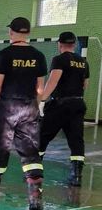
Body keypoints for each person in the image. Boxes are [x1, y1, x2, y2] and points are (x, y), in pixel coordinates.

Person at [0, 17, 47, 210]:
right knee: (31, 153)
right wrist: (39, 105)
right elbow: (40, 87)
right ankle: (35, 199)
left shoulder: (4, 55)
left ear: (11, 32)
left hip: (7, 109)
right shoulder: (38, 55)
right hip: (29, 108)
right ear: (28, 33)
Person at [38, 31, 89, 186]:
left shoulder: (59, 60)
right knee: (76, 140)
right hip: (78, 104)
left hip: (60, 105)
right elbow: (84, 85)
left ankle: (34, 171)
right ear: (74, 44)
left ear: (59, 44)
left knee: (43, 136)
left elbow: (52, 81)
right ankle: (76, 176)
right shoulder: (83, 62)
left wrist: (42, 100)